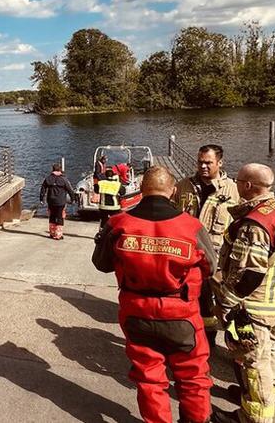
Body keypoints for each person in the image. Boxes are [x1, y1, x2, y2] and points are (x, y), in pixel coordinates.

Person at [91, 166, 216, 423]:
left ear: (142, 190)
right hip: (182, 315)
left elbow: (101, 264)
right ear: (172, 191)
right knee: (193, 378)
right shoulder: (191, 226)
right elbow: (211, 267)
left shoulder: (119, 223)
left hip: (136, 312)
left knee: (149, 377)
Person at [211, 164, 275, 423]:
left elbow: (248, 273)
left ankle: (253, 417)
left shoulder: (254, 225)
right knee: (267, 357)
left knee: (254, 364)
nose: (236, 185)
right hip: (273, 302)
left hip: (251, 309)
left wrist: (226, 304)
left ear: (248, 186)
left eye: (238, 181)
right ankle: (259, 400)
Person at [172, 144, 240, 347]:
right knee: (197, 300)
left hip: (220, 259)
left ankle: (236, 344)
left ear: (220, 162)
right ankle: (204, 339)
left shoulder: (233, 190)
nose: (203, 166)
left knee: (227, 304)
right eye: (200, 162)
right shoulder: (183, 186)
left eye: (208, 163)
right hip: (191, 257)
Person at [39, 163, 79, 240]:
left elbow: (43, 189)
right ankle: (58, 235)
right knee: (60, 217)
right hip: (60, 202)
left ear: (52, 169)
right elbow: (70, 190)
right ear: (60, 170)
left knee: (52, 216)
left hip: (51, 201)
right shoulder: (64, 179)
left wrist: (41, 199)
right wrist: (73, 199)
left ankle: (52, 233)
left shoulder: (48, 178)